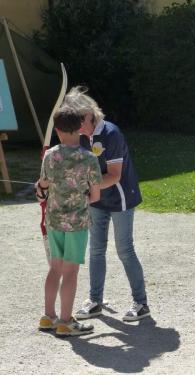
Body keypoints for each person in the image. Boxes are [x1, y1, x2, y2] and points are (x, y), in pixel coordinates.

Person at [64, 86, 150, 322]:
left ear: (89, 114)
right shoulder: (80, 135)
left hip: (121, 197)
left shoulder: (111, 133)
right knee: (96, 249)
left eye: (77, 119)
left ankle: (141, 303)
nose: (75, 125)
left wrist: (85, 187)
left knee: (124, 249)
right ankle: (95, 301)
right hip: (97, 199)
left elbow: (114, 175)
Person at [37, 106, 102, 336]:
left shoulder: (50, 154)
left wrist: (43, 190)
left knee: (55, 267)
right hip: (76, 223)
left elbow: (43, 185)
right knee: (71, 271)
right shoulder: (89, 158)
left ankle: (48, 317)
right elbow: (95, 195)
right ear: (80, 128)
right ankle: (65, 321)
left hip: (53, 219)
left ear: (57, 130)